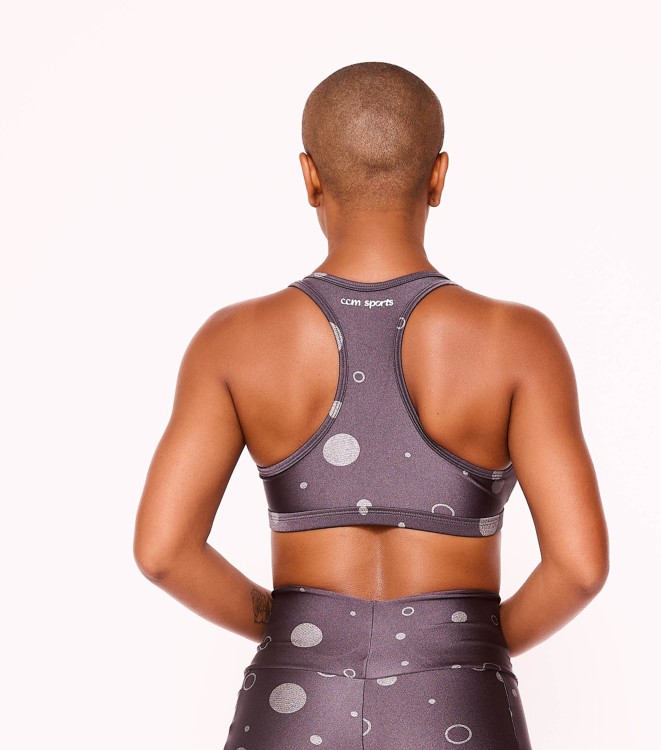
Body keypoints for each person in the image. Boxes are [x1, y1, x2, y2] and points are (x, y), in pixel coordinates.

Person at [133, 61, 609, 750]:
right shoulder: (518, 341)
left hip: (293, 705)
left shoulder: (233, 341)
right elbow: (580, 568)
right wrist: (466, 645)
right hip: (459, 702)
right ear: (438, 177)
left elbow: (163, 552)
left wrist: (288, 625)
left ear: (309, 177)